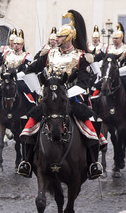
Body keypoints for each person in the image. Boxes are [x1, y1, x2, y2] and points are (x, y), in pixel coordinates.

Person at [19, 9, 103, 180]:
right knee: (29, 123)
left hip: (72, 99)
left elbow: (84, 83)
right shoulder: (49, 54)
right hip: (49, 99)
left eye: (60, 37)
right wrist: (40, 90)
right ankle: (26, 161)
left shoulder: (81, 57)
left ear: (69, 38)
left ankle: (94, 162)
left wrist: (65, 94)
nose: (56, 39)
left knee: (91, 125)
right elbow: (29, 71)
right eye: (56, 37)